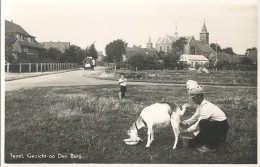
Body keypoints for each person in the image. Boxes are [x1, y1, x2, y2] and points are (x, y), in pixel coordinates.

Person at [181, 87, 229, 153]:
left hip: (221, 128)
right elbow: (195, 117)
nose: (192, 99)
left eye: (194, 97)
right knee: (195, 140)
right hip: (215, 125)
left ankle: (210, 147)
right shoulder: (200, 105)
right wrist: (185, 123)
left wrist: (187, 130)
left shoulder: (206, 107)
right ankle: (209, 142)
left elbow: (198, 123)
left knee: (203, 123)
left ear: (200, 96)